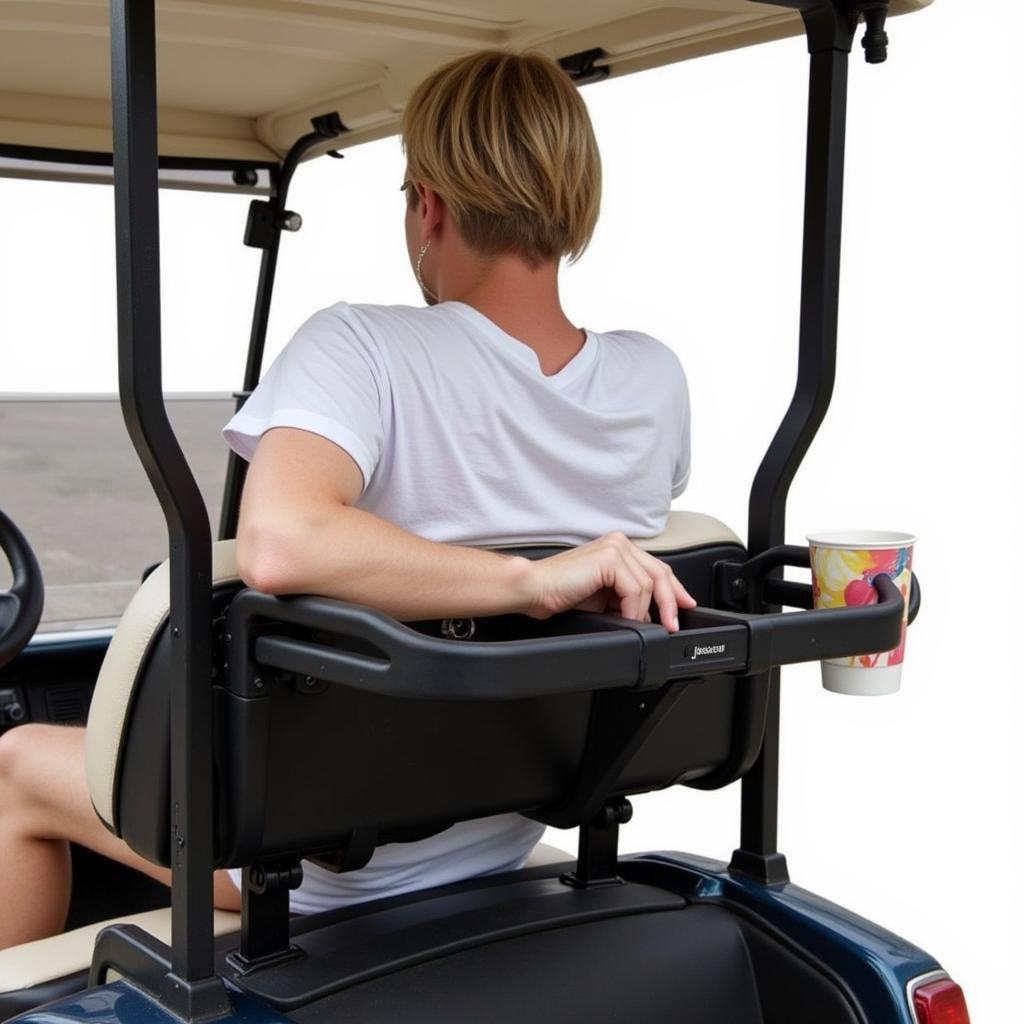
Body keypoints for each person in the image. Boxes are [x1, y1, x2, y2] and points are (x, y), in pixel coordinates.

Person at [0, 49, 694, 947]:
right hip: (506, 823)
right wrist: (541, 570)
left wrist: (530, 585)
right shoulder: (653, 379)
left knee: (16, 761)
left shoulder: (361, 348)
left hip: (326, 862)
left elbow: (279, 545)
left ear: (429, 205)